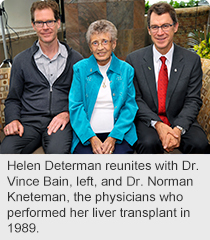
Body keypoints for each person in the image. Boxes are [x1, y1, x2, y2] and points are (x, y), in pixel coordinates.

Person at [126, 2, 209, 154]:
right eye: (155, 27)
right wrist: (158, 125)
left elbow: (193, 100)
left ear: (175, 27)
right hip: (148, 121)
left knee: (200, 144)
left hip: (181, 119)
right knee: (148, 143)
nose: (160, 32)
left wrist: (177, 129)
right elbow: (135, 99)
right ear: (149, 30)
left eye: (165, 26)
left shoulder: (191, 60)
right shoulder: (134, 60)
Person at [1, 0, 83, 154]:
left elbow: (83, 98)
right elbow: (13, 99)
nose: (45, 27)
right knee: (5, 152)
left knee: (57, 155)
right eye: (40, 22)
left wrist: (68, 114)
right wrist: (13, 120)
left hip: (59, 122)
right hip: (28, 123)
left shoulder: (76, 60)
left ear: (58, 23)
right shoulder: (21, 60)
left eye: (50, 22)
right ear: (33, 25)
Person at [69, 19, 138, 154]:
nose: (100, 48)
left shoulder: (126, 70)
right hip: (87, 135)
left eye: (105, 41)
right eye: (95, 43)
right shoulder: (80, 69)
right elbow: (75, 106)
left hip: (120, 134)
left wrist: (113, 137)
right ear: (90, 46)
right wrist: (91, 138)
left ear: (114, 43)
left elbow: (130, 107)